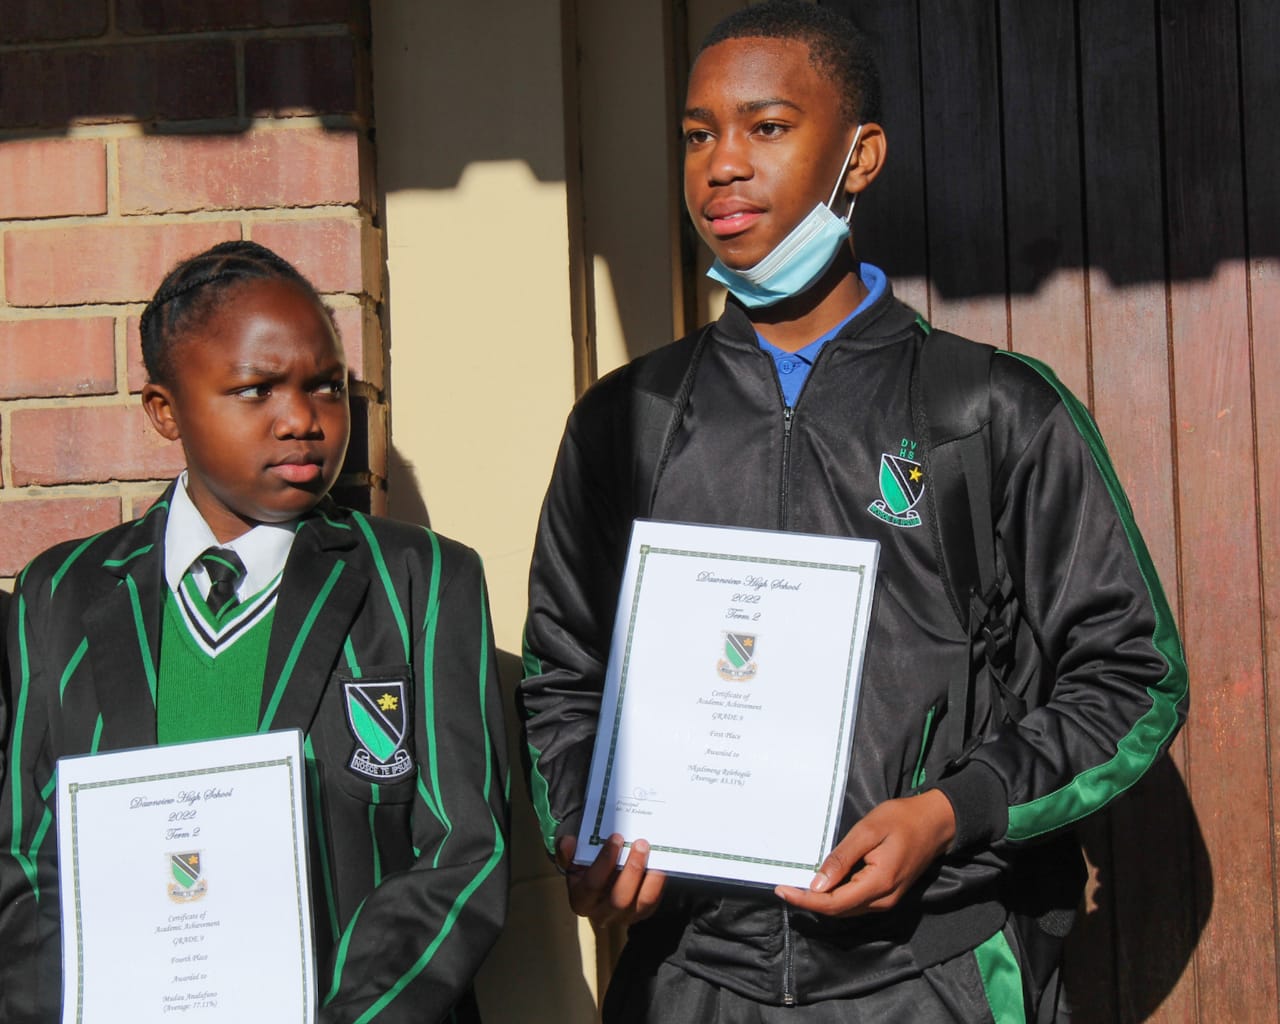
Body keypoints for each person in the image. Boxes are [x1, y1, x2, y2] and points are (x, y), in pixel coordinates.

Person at [517, 3, 1187, 1020]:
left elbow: (1131, 677)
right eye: (696, 135)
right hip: (691, 977)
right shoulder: (627, 420)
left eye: (766, 127)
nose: (721, 165)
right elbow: (563, 675)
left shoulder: (988, 410)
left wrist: (951, 810)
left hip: (930, 973)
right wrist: (586, 827)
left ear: (858, 156)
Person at [0, 241, 509, 1024]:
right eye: (255, 390)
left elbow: (463, 853)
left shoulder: (423, 579)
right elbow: (29, 862)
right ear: (165, 411)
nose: (302, 420)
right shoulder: (60, 593)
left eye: (325, 387)